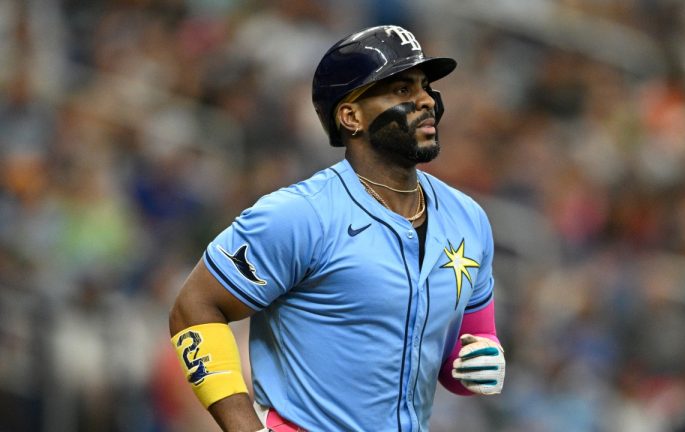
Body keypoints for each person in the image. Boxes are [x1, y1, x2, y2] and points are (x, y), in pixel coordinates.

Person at [169, 24, 505, 431]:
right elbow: (194, 308)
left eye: (425, 86)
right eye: (401, 89)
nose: (426, 101)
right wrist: (244, 426)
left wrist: (479, 364)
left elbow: (462, 356)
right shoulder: (299, 215)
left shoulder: (468, 217)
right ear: (351, 116)